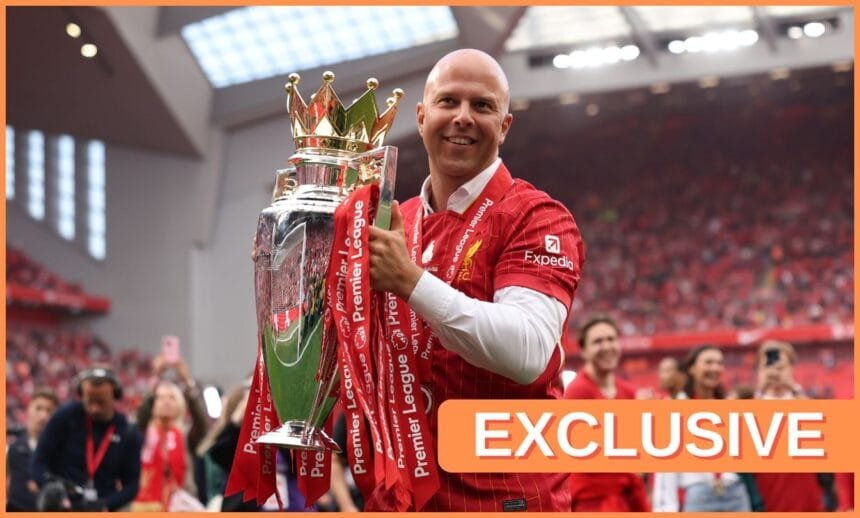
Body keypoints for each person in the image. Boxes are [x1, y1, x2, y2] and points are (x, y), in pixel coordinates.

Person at [368, 48, 583, 511]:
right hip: (403, 499)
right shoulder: (394, 222)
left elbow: (526, 351)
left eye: (482, 106)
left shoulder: (536, 217)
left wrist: (410, 281)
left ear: (504, 126)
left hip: (503, 498)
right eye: (448, 102)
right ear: (423, 117)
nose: (463, 118)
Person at [652, 345, 758, 512]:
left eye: (719, 363)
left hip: (735, 492)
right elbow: (665, 471)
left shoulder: (730, 408)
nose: (715, 368)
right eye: (708, 362)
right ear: (692, 368)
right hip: (699, 496)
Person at [563, 316, 650, 512]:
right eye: (598, 341)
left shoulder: (629, 391)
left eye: (611, 339)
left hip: (629, 497)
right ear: (584, 351)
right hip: (592, 500)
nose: (606, 346)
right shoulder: (578, 391)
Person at [31, 366, 142, 511]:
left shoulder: (128, 431)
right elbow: (39, 460)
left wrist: (106, 505)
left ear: (115, 396)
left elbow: (132, 485)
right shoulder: (66, 417)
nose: (95, 408)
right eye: (90, 401)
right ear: (81, 395)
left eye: (101, 402)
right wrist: (52, 491)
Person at [752, 340, 832, 512]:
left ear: (792, 368)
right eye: (768, 367)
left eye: (781, 367)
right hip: (766, 493)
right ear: (759, 370)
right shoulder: (748, 402)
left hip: (805, 492)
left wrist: (793, 387)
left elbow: (823, 432)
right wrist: (761, 390)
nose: (775, 372)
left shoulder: (805, 401)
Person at [131, 380, 191, 511]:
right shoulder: (142, 432)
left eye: (172, 398)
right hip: (144, 504)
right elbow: (141, 418)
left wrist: (187, 381)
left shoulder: (182, 435)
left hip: (174, 504)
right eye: (160, 398)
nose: (166, 402)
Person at [6, 388, 59, 511]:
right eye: (39, 408)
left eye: (49, 411)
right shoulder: (13, 446)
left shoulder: (61, 449)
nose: (43, 415)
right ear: (28, 409)